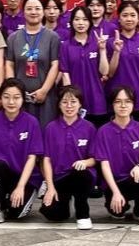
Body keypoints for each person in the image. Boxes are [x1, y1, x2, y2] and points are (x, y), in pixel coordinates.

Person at [0, 79, 43, 223]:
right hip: (3, 175)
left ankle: (8, 201)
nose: (11, 102)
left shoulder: (32, 122)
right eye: (6, 97)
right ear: (0, 98)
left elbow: (32, 158)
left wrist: (20, 187)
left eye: (16, 97)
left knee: (17, 214)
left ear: (23, 99)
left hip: (26, 178)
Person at [93, 86, 139, 225]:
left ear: (133, 104)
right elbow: (104, 165)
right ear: (112, 104)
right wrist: (115, 192)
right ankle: (116, 203)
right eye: (118, 101)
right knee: (118, 213)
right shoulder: (103, 131)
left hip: (133, 178)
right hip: (113, 182)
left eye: (127, 101)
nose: (123, 105)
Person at [40, 86, 98, 230]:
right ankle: (64, 204)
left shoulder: (89, 127)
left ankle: (82, 213)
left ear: (80, 104)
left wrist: (85, 162)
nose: (69, 106)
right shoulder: (51, 128)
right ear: (59, 105)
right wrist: (50, 187)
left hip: (81, 176)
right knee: (52, 214)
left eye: (73, 102)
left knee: (80, 173)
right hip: (60, 178)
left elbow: (94, 159)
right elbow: (46, 160)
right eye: (64, 102)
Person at [5, 0, 62, 128]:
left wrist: (44, 90)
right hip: (20, 98)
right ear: (23, 12)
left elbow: (55, 65)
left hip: (46, 97)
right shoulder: (13, 38)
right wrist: (15, 91)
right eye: (29, 9)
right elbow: (9, 64)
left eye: (37, 8)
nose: (33, 12)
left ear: (43, 12)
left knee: (44, 130)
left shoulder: (52, 37)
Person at [59, 7, 111, 126]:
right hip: (76, 101)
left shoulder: (97, 43)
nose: (81, 23)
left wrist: (102, 50)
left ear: (90, 22)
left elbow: (104, 71)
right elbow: (65, 75)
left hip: (96, 100)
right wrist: (70, 101)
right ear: (72, 22)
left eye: (85, 19)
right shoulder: (65, 46)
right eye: (77, 19)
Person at [108, 1, 139, 121]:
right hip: (118, 101)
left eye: (132, 15)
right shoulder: (110, 42)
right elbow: (109, 73)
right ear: (119, 18)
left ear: (138, 18)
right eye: (125, 15)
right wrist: (116, 51)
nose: (129, 19)